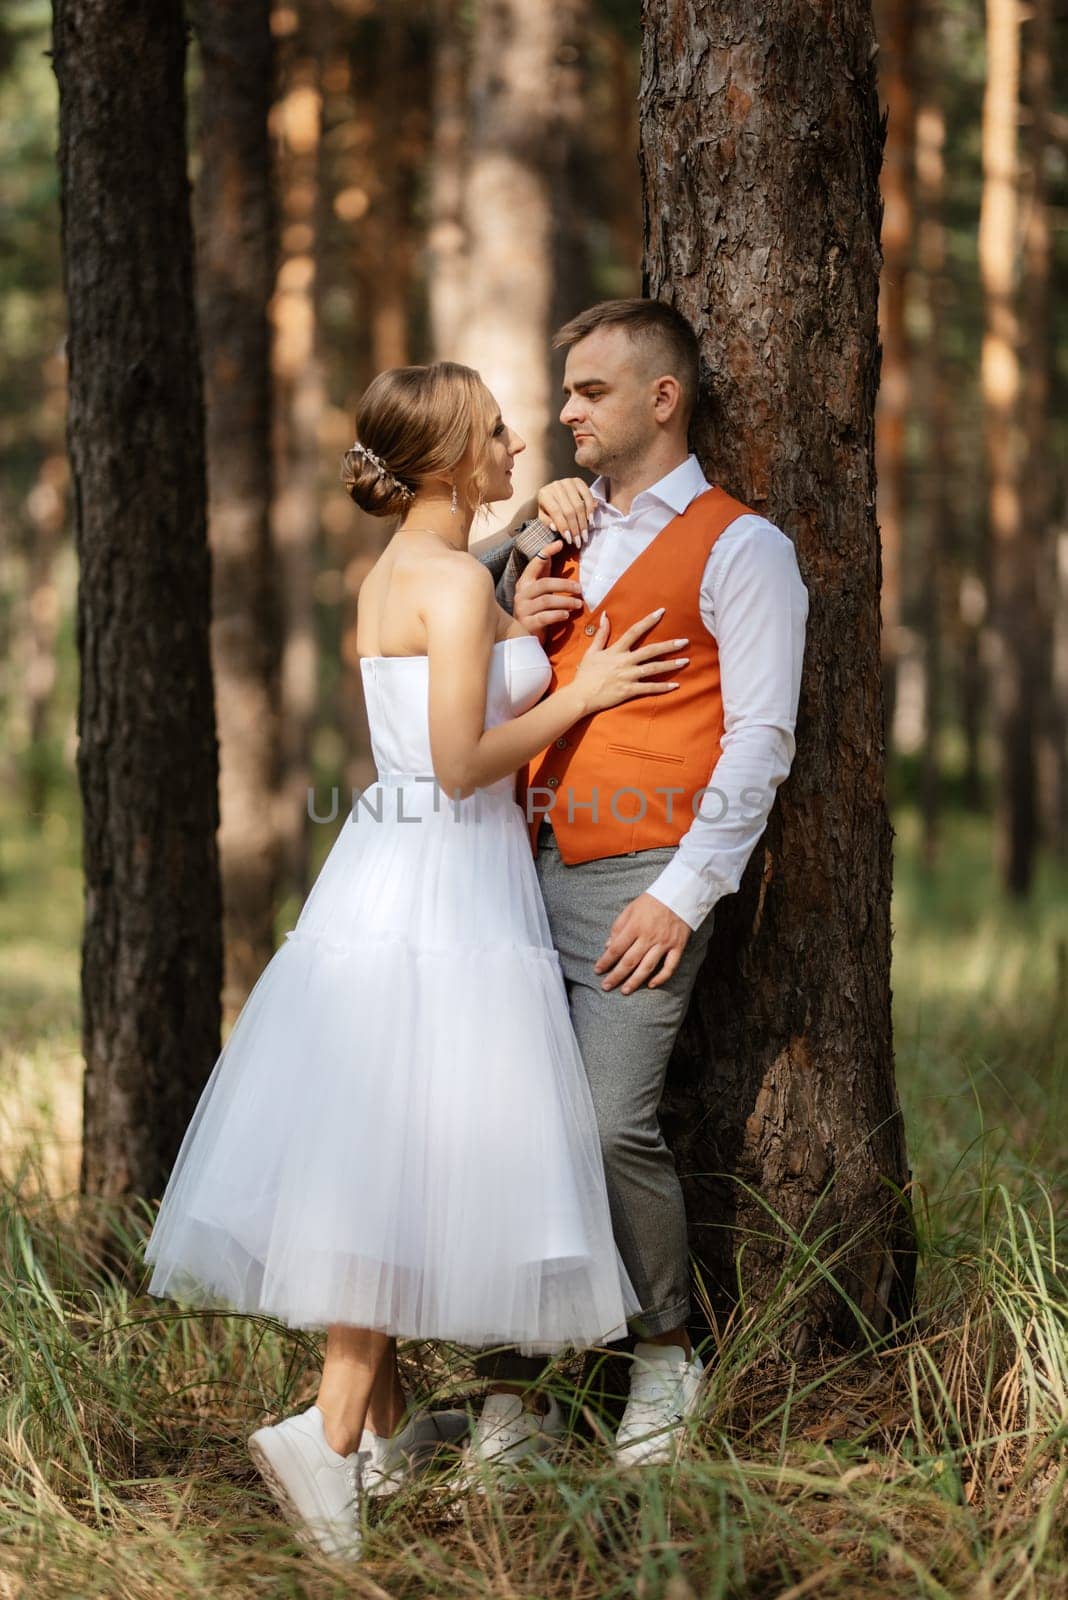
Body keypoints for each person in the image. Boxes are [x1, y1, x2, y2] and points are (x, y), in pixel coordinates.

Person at [141, 359, 691, 1561]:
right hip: (446, 877)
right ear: (448, 459)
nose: (513, 446)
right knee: (405, 1155)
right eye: (496, 433)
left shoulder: (403, 573)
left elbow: (464, 661)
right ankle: (329, 1439)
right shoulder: (442, 579)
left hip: (399, 874)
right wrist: (585, 683)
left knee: (388, 1156)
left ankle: (374, 1432)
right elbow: (456, 761)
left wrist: (528, 614)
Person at [458, 298, 810, 1471]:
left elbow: (761, 739)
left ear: (664, 398)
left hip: (641, 878)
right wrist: (520, 580)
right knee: (509, 1131)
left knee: (611, 1123)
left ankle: (667, 1352)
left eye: (588, 392)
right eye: (562, 393)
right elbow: (452, 644)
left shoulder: (743, 546)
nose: (563, 414)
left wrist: (686, 892)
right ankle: (508, 1394)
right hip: (517, 867)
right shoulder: (554, 538)